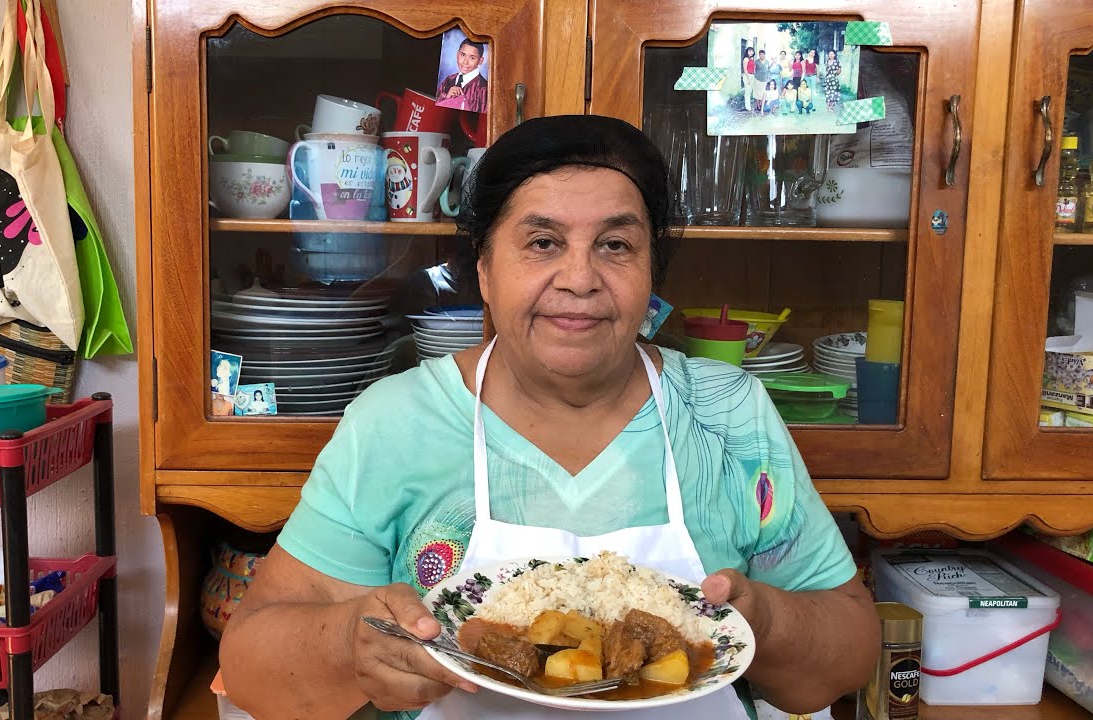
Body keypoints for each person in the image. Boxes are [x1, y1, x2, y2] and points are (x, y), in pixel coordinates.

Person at [219, 115, 879, 720]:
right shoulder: (395, 423)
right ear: (483, 268)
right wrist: (347, 645)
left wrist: (763, 619)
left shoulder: (727, 413)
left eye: (616, 245)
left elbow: (848, 653)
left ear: (653, 269)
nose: (580, 277)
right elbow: (250, 666)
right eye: (542, 241)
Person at [436, 38, 489, 114]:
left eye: (472, 58)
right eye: (463, 55)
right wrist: (446, 99)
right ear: (457, 54)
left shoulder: (484, 90)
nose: (465, 62)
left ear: (480, 61)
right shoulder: (449, 80)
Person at [741, 46, 757, 112]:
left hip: (752, 76)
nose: (751, 52)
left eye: (752, 51)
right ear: (747, 52)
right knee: (747, 92)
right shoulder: (746, 59)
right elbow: (745, 69)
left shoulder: (751, 59)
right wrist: (748, 79)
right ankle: (747, 107)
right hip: (748, 76)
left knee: (749, 91)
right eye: (750, 51)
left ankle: (748, 106)